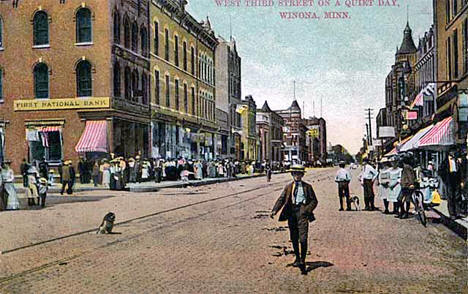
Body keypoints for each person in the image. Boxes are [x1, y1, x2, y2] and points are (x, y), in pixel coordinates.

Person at [271, 165, 318, 275]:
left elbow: (314, 201)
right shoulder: (288, 187)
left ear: (302, 175)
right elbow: (281, 199)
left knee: (303, 238)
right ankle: (297, 257)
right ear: (292, 175)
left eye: (299, 174)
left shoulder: (308, 187)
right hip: (291, 213)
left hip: (302, 213)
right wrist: (274, 210)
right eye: (295, 174)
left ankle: (303, 260)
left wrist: (306, 210)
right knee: (294, 237)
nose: (297, 176)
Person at [440, 151, 463, 219]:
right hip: (449, 179)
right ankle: (452, 214)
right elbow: (440, 171)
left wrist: (461, 181)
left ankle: (458, 212)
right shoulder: (445, 162)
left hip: (456, 179)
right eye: (451, 153)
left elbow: (460, 171)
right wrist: (445, 180)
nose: (453, 154)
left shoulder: (457, 160)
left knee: (457, 196)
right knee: (450, 197)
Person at [399, 154, 416, 219]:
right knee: (399, 199)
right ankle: (403, 211)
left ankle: (406, 213)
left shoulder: (407, 167)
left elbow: (410, 176)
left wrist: (411, 183)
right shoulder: (404, 167)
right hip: (404, 186)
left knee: (407, 199)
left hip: (407, 185)